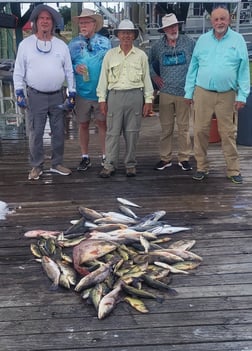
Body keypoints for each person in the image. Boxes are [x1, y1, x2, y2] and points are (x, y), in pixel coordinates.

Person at [184, 6, 250, 184]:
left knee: (228, 133)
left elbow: (243, 70)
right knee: (199, 131)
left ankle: (233, 169)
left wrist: (242, 95)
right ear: (211, 21)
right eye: (216, 19)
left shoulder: (238, 40)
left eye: (223, 19)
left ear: (228, 20)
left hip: (227, 94)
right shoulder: (203, 40)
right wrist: (188, 92)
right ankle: (201, 167)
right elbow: (193, 68)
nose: (219, 22)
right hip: (202, 92)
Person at [13, 4, 76, 181]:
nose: (45, 22)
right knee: (36, 132)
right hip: (35, 95)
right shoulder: (25, 44)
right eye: (42, 18)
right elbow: (19, 71)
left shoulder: (61, 45)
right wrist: (19, 92)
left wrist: (72, 92)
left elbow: (69, 70)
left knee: (58, 131)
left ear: (53, 22)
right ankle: (36, 166)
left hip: (58, 95)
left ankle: (57, 164)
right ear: (36, 22)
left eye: (48, 19)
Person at [97, 19, 153, 178]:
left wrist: (148, 100)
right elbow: (104, 78)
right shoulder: (110, 55)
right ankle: (109, 164)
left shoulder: (141, 55)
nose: (126, 36)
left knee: (132, 133)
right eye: (123, 33)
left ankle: (130, 164)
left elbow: (147, 79)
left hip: (135, 95)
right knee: (112, 133)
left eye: (129, 33)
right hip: (114, 96)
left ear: (134, 36)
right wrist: (102, 98)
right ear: (118, 35)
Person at [149, 13, 195, 172]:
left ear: (178, 26)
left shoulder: (189, 43)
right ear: (164, 30)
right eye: (169, 27)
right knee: (166, 128)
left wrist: (193, 84)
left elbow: (198, 61)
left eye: (174, 26)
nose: (173, 29)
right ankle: (165, 158)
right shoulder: (157, 46)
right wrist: (154, 76)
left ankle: (184, 158)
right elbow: (147, 61)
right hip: (166, 92)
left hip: (184, 92)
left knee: (184, 128)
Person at [68, 9, 111, 172]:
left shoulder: (105, 43)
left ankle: (105, 156)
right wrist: (74, 67)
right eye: (81, 22)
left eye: (86, 22)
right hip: (81, 93)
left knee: (102, 123)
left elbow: (110, 65)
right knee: (83, 124)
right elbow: (65, 66)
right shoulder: (72, 44)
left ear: (95, 24)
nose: (83, 25)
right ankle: (85, 157)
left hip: (101, 93)